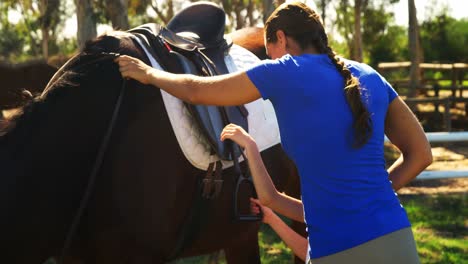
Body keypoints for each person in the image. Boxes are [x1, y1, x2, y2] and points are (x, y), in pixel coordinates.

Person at [115, 2, 432, 263]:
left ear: (280, 38)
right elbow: (421, 155)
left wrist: (149, 74)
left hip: (337, 249)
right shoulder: (369, 75)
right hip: (396, 238)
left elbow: (198, 91)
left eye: (269, 51)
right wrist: (369, 196)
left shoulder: (285, 71)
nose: (270, 59)